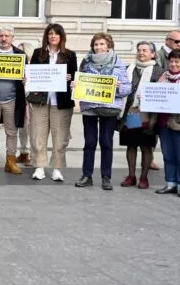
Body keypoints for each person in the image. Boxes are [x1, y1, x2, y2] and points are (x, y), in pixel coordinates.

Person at [74, 32, 132, 191]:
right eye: (96, 44)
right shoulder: (86, 62)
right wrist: (76, 85)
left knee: (106, 142)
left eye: (102, 44)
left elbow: (128, 88)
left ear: (109, 46)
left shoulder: (119, 63)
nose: (98, 47)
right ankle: (87, 175)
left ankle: (106, 177)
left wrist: (119, 87)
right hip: (90, 107)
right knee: (89, 142)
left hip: (109, 108)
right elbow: (80, 81)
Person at [27, 24, 77, 182]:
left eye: (56, 34)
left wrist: (71, 79)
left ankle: (57, 168)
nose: (53, 37)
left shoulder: (70, 55)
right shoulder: (38, 53)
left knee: (60, 136)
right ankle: (39, 167)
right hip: (40, 100)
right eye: (50, 34)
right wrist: (27, 79)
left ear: (61, 37)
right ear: (46, 36)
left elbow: (75, 77)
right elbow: (32, 74)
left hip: (61, 101)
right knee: (37, 134)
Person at [118, 41, 163, 190]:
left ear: (152, 54)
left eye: (145, 50)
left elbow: (162, 93)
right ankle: (131, 175)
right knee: (131, 145)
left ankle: (144, 177)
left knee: (146, 146)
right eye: (139, 50)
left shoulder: (159, 71)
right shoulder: (128, 68)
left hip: (149, 114)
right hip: (131, 112)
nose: (141, 53)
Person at [0, 25, 27, 175]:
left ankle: (11, 161)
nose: (3, 38)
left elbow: (27, 76)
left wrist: (25, 78)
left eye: (7, 36)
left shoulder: (20, 54)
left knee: (11, 132)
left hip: (12, 100)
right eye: (1, 36)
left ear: (12, 38)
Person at [155, 49, 180, 196]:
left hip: (177, 123)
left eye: (177, 61)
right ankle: (170, 183)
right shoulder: (164, 76)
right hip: (163, 122)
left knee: (179, 155)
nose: (174, 64)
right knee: (168, 155)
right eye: (171, 61)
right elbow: (156, 94)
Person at [15, 41, 35, 167]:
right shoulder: (17, 65)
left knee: (32, 128)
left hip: (32, 100)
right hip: (20, 99)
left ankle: (32, 154)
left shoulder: (34, 66)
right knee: (22, 127)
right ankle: (23, 152)